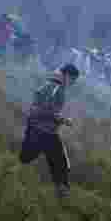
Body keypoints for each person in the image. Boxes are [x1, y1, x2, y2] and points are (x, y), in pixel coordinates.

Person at [20, 63, 80, 198]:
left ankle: (61, 189)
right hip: (44, 131)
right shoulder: (55, 88)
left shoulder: (49, 85)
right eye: (72, 80)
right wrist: (62, 120)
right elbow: (43, 110)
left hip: (37, 128)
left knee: (28, 157)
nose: (72, 83)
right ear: (66, 75)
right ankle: (62, 191)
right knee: (61, 162)